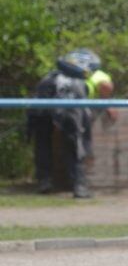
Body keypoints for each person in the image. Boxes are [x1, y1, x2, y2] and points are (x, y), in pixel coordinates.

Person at [26, 49, 116, 198]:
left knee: (42, 140)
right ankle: (79, 186)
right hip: (71, 104)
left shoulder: (53, 75)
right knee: (76, 142)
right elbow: (106, 86)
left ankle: (44, 181)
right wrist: (107, 102)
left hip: (46, 100)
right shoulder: (96, 73)